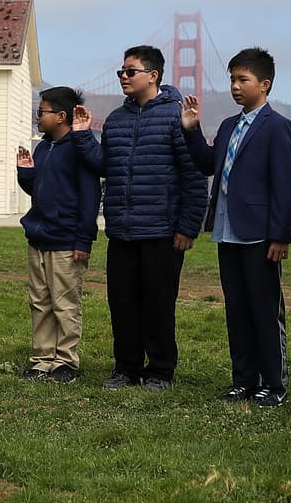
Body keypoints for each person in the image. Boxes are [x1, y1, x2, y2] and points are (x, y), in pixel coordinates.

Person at [71, 46, 208, 391]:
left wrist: (188, 226)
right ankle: (126, 369)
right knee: (122, 304)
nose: (123, 77)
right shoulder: (116, 120)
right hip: (122, 229)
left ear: (153, 76)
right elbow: (106, 165)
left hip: (162, 231)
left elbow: (194, 176)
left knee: (159, 304)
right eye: (120, 72)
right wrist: (85, 135)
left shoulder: (179, 117)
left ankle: (160, 371)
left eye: (130, 71)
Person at [181, 47, 291, 408]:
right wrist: (191, 129)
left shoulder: (278, 127)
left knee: (264, 310)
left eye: (242, 79)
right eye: (232, 78)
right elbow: (207, 164)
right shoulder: (229, 125)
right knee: (237, 309)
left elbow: (284, 186)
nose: (235, 85)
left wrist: (281, 235)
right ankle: (243, 380)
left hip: (261, 234)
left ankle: (274, 384)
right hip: (226, 230)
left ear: (264, 85)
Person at [15, 86, 101, 383]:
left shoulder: (79, 149)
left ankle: (65, 361)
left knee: (64, 303)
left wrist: (83, 239)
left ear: (61, 116)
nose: (37, 117)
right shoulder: (42, 147)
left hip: (66, 241)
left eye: (42, 112)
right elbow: (38, 191)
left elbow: (90, 197)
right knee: (39, 301)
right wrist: (26, 174)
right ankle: (41, 359)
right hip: (38, 237)